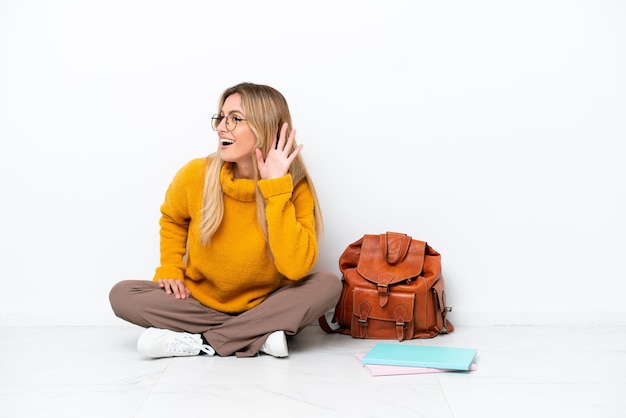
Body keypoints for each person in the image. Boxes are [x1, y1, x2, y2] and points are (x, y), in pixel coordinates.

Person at [109, 82, 342, 358]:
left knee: (328, 285)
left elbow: (295, 268)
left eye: (234, 119)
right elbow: (172, 218)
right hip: (199, 303)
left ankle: (203, 341)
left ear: (264, 126)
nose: (221, 127)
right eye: (221, 117)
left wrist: (276, 190)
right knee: (122, 294)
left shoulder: (293, 187)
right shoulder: (196, 174)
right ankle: (257, 336)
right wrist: (170, 267)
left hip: (265, 304)